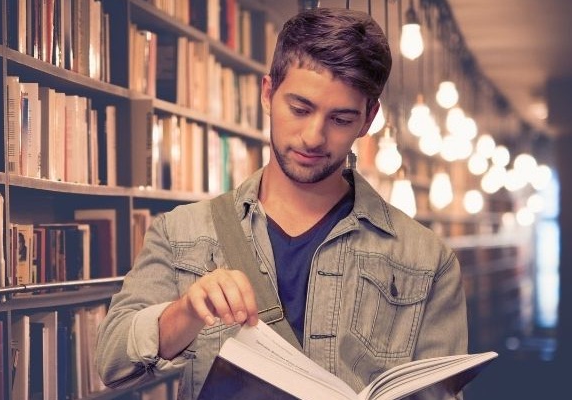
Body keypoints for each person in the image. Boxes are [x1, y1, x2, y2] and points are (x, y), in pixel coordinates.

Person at [94, 7, 466, 399]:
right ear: (268, 93)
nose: (313, 136)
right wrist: (185, 312)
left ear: (368, 119)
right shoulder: (181, 232)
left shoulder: (428, 261)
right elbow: (111, 361)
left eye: (340, 119)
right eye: (300, 109)